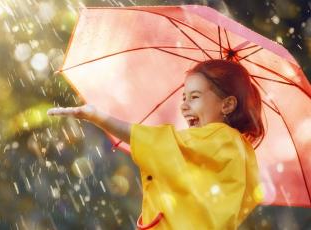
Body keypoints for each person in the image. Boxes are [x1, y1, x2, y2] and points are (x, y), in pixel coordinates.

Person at [47, 59, 265, 230]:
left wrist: (99, 117)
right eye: (184, 97)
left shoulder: (222, 138)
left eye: (195, 97)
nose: (184, 106)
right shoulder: (236, 148)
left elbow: (161, 143)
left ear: (227, 104)